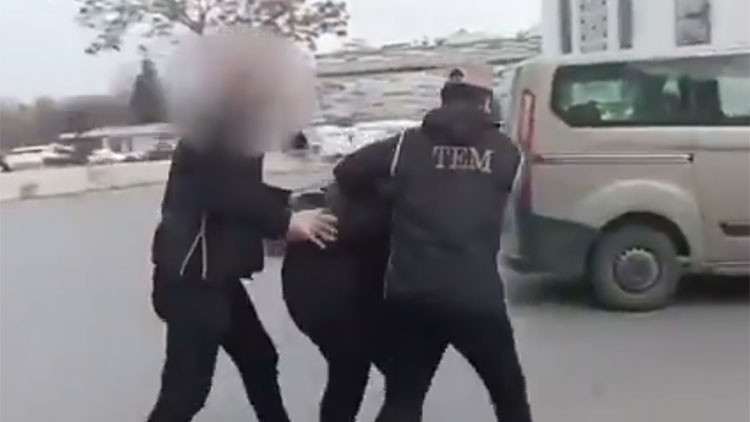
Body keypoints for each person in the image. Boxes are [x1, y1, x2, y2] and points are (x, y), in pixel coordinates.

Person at [146, 32, 335, 422]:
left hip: (216, 275)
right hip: (193, 279)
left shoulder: (232, 129)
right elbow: (224, 194)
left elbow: (241, 190)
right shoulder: (215, 132)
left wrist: (294, 200)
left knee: (259, 358)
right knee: (186, 393)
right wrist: (287, 222)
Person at [334, 64, 532, 421]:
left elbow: (346, 171)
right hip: (476, 297)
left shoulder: (404, 146)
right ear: (486, 103)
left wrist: (392, 192)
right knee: (510, 399)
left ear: (443, 100)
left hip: (412, 294)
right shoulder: (507, 152)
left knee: (403, 398)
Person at [281, 181, 391, 422]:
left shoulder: (347, 192)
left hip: (308, 295)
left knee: (350, 372)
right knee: (402, 379)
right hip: (339, 298)